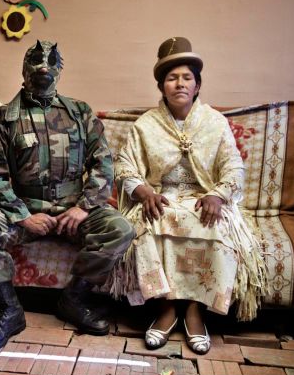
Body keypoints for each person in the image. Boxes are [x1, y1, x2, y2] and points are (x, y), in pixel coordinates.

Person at [0, 40, 135, 353]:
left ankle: (74, 299)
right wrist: (23, 216)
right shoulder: (3, 119)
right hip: (25, 213)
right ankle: (8, 310)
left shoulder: (80, 114)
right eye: (36, 60)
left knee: (120, 229)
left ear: (60, 69)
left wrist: (83, 208)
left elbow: (103, 163)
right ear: (24, 68)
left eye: (52, 60)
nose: (44, 66)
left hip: (74, 212)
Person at [108, 37, 268, 354]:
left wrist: (219, 196)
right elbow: (125, 164)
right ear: (162, 86)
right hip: (163, 196)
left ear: (196, 86)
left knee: (215, 226)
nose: (179, 84)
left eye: (186, 78)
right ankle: (166, 309)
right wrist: (142, 191)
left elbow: (234, 167)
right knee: (150, 224)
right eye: (171, 78)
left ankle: (196, 311)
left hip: (204, 198)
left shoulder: (214, 122)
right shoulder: (146, 125)